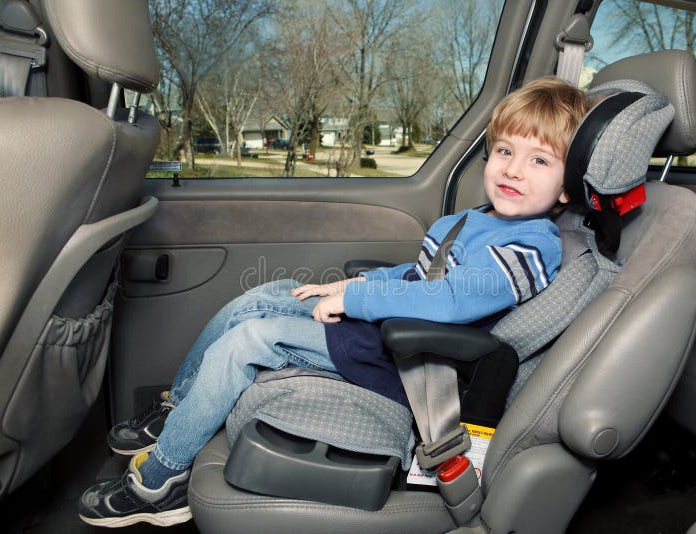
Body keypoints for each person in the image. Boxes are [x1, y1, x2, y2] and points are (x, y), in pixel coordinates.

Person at [78, 77, 589, 528]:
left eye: (539, 160)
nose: (514, 170)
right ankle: (178, 409)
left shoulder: (534, 243)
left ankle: (161, 480)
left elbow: (453, 300)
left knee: (250, 340)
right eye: (504, 151)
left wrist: (362, 298)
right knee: (264, 295)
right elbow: (417, 273)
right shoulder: (475, 219)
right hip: (388, 334)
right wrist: (343, 289)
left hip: (416, 365)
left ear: (567, 187)